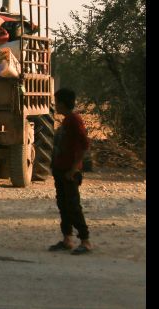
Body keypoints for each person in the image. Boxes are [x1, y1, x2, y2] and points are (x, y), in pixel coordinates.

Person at [48, 88, 93, 255]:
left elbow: (84, 145)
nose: (56, 105)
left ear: (63, 103)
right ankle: (67, 238)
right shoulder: (67, 120)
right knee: (63, 205)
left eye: (57, 102)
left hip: (69, 172)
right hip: (61, 170)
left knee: (73, 206)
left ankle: (85, 241)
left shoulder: (74, 120)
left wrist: (74, 169)